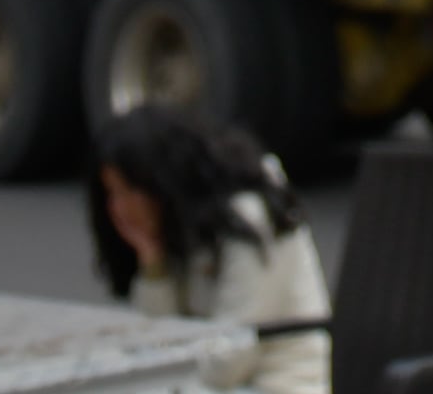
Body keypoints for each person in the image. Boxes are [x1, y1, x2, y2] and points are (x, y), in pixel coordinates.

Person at [90, 106, 335, 394]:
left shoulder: (249, 218)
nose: (119, 208)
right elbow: (156, 343)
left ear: (161, 182)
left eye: (127, 191)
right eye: (112, 194)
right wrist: (153, 262)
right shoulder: (182, 223)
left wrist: (164, 376)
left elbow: (231, 359)